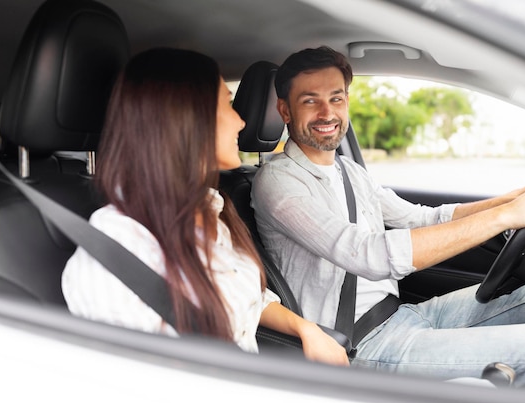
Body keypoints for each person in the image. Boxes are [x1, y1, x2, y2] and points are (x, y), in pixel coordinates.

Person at [251, 46, 525, 388]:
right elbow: (365, 254)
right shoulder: (277, 182)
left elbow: (421, 219)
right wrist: (506, 216)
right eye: (310, 101)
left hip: (403, 315)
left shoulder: (349, 171)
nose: (327, 113)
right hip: (361, 342)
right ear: (284, 110)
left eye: (337, 98)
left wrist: (513, 198)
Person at [61, 47, 348, 366]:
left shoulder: (211, 209)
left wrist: (305, 329)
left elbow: (245, 295)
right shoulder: (120, 250)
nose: (241, 121)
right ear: (183, 118)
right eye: (226, 103)